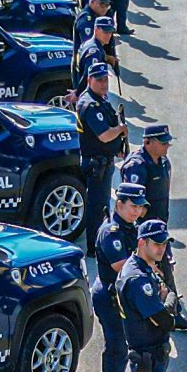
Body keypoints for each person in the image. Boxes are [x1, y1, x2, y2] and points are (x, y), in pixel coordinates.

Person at [113, 218, 179, 372]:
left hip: (145, 355)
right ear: (142, 243)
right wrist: (169, 296)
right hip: (147, 358)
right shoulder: (138, 279)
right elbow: (165, 320)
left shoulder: (142, 267)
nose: (162, 249)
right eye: (157, 244)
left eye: (164, 244)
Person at [90, 175, 147, 372]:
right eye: (133, 206)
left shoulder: (129, 228)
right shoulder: (111, 232)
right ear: (119, 204)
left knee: (123, 347)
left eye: (140, 207)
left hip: (122, 296)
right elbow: (120, 266)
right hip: (109, 296)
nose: (137, 211)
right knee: (116, 349)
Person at [74, 64, 127, 248]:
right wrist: (120, 130)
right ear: (89, 80)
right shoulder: (90, 104)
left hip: (103, 160)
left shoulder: (98, 99)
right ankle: (95, 247)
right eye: (99, 80)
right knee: (98, 207)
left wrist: (118, 147)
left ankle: (99, 244)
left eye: (105, 79)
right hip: (97, 164)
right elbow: (104, 135)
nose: (104, 84)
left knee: (102, 204)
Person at [122, 119, 172, 221]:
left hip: (160, 220)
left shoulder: (164, 161)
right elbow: (131, 201)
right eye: (163, 143)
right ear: (147, 142)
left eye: (168, 142)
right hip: (143, 225)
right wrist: (150, 216)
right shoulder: (136, 166)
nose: (167, 145)